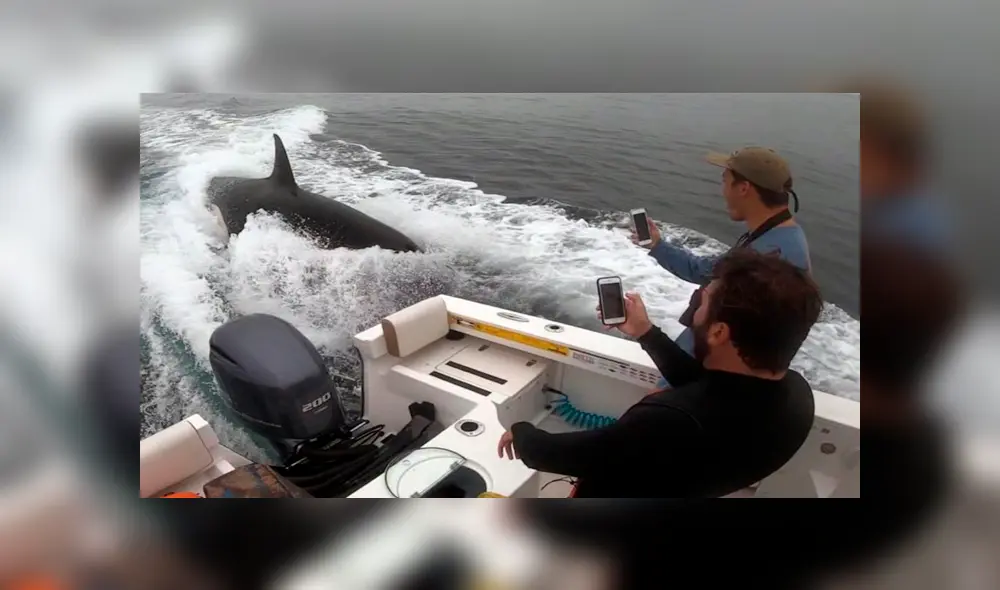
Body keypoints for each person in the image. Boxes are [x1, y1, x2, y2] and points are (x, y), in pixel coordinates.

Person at [497, 249, 823, 498]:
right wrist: (646, 332)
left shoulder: (670, 421)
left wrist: (522, 433)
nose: (695, 311)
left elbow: (569, 455)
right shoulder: (796, 398)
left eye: (702, 303)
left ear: (719, 332)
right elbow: (713, 387)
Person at [634, 147, 811, 388]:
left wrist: (670, 391)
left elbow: (734, 341)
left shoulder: (769, 256)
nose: (723, 191)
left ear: (744, 188)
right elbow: (706, 270)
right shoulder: (781, 237)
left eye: (725, 180)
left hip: (701, 382)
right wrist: (658, 245)